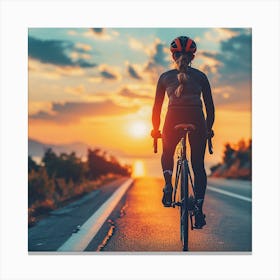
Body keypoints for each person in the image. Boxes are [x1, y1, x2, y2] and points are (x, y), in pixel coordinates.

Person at [151, 36, 215, 228]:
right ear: (192, 57)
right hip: (197, 119)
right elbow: (210, 108)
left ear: (173, 55)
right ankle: (199, 209)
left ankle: (168, 185)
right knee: (198, 166)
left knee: (168, 152)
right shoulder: (201, 77)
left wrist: (155, 130)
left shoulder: (164, 77)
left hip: (172, 120)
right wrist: (208, 129)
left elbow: (156, 108)